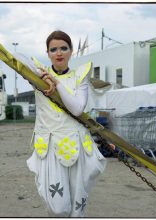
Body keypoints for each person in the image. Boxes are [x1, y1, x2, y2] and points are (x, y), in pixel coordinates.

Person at [25, 30, 107, 217]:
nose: (59, 53)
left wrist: (57, 84)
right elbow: (15, 57)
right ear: (47, 54)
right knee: (58, 208)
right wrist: (42, 75)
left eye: (64, 48)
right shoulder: (38, 75)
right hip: (50, 146)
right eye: (53, 49)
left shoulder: (80, 76)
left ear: (71, 51)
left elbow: (77, 108)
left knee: (78, 206)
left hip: (76, 145)